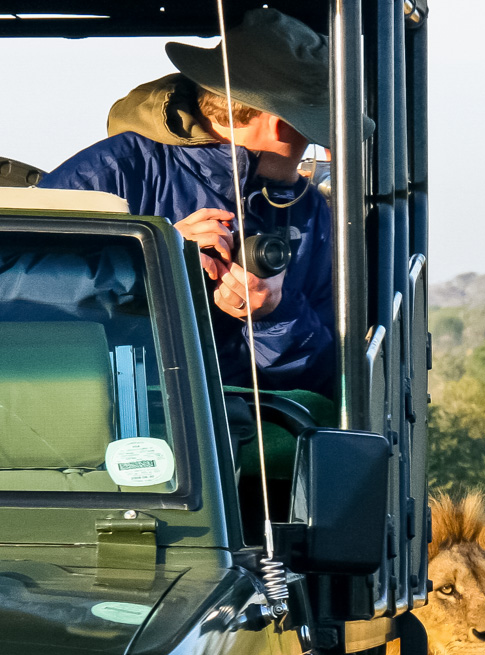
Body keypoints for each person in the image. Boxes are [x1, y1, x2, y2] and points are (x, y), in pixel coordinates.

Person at [38, 8, 346, 399]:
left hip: (244, 431)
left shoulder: (310, 212)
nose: (323, 150)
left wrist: (275, 315)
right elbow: (13, 287)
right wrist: (150, 262)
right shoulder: (114, 171)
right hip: (107, 418)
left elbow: (328, 381)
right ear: (281, 126)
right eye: (317, 133)